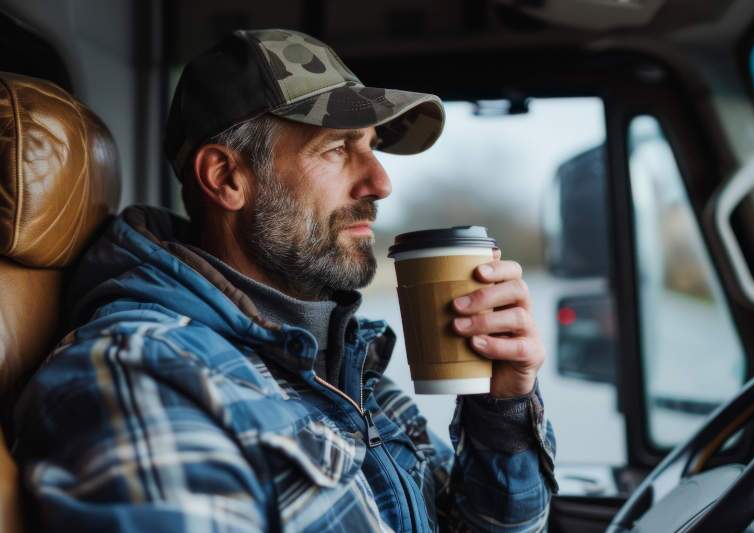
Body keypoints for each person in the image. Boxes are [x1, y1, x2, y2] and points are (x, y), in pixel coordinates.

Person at [14, 29, 557, 532]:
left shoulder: (344, 359)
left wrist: (501, 411)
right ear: (227, 177)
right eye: (337, 148)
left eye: (370, 145)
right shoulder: (145, 376)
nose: (381, 181)